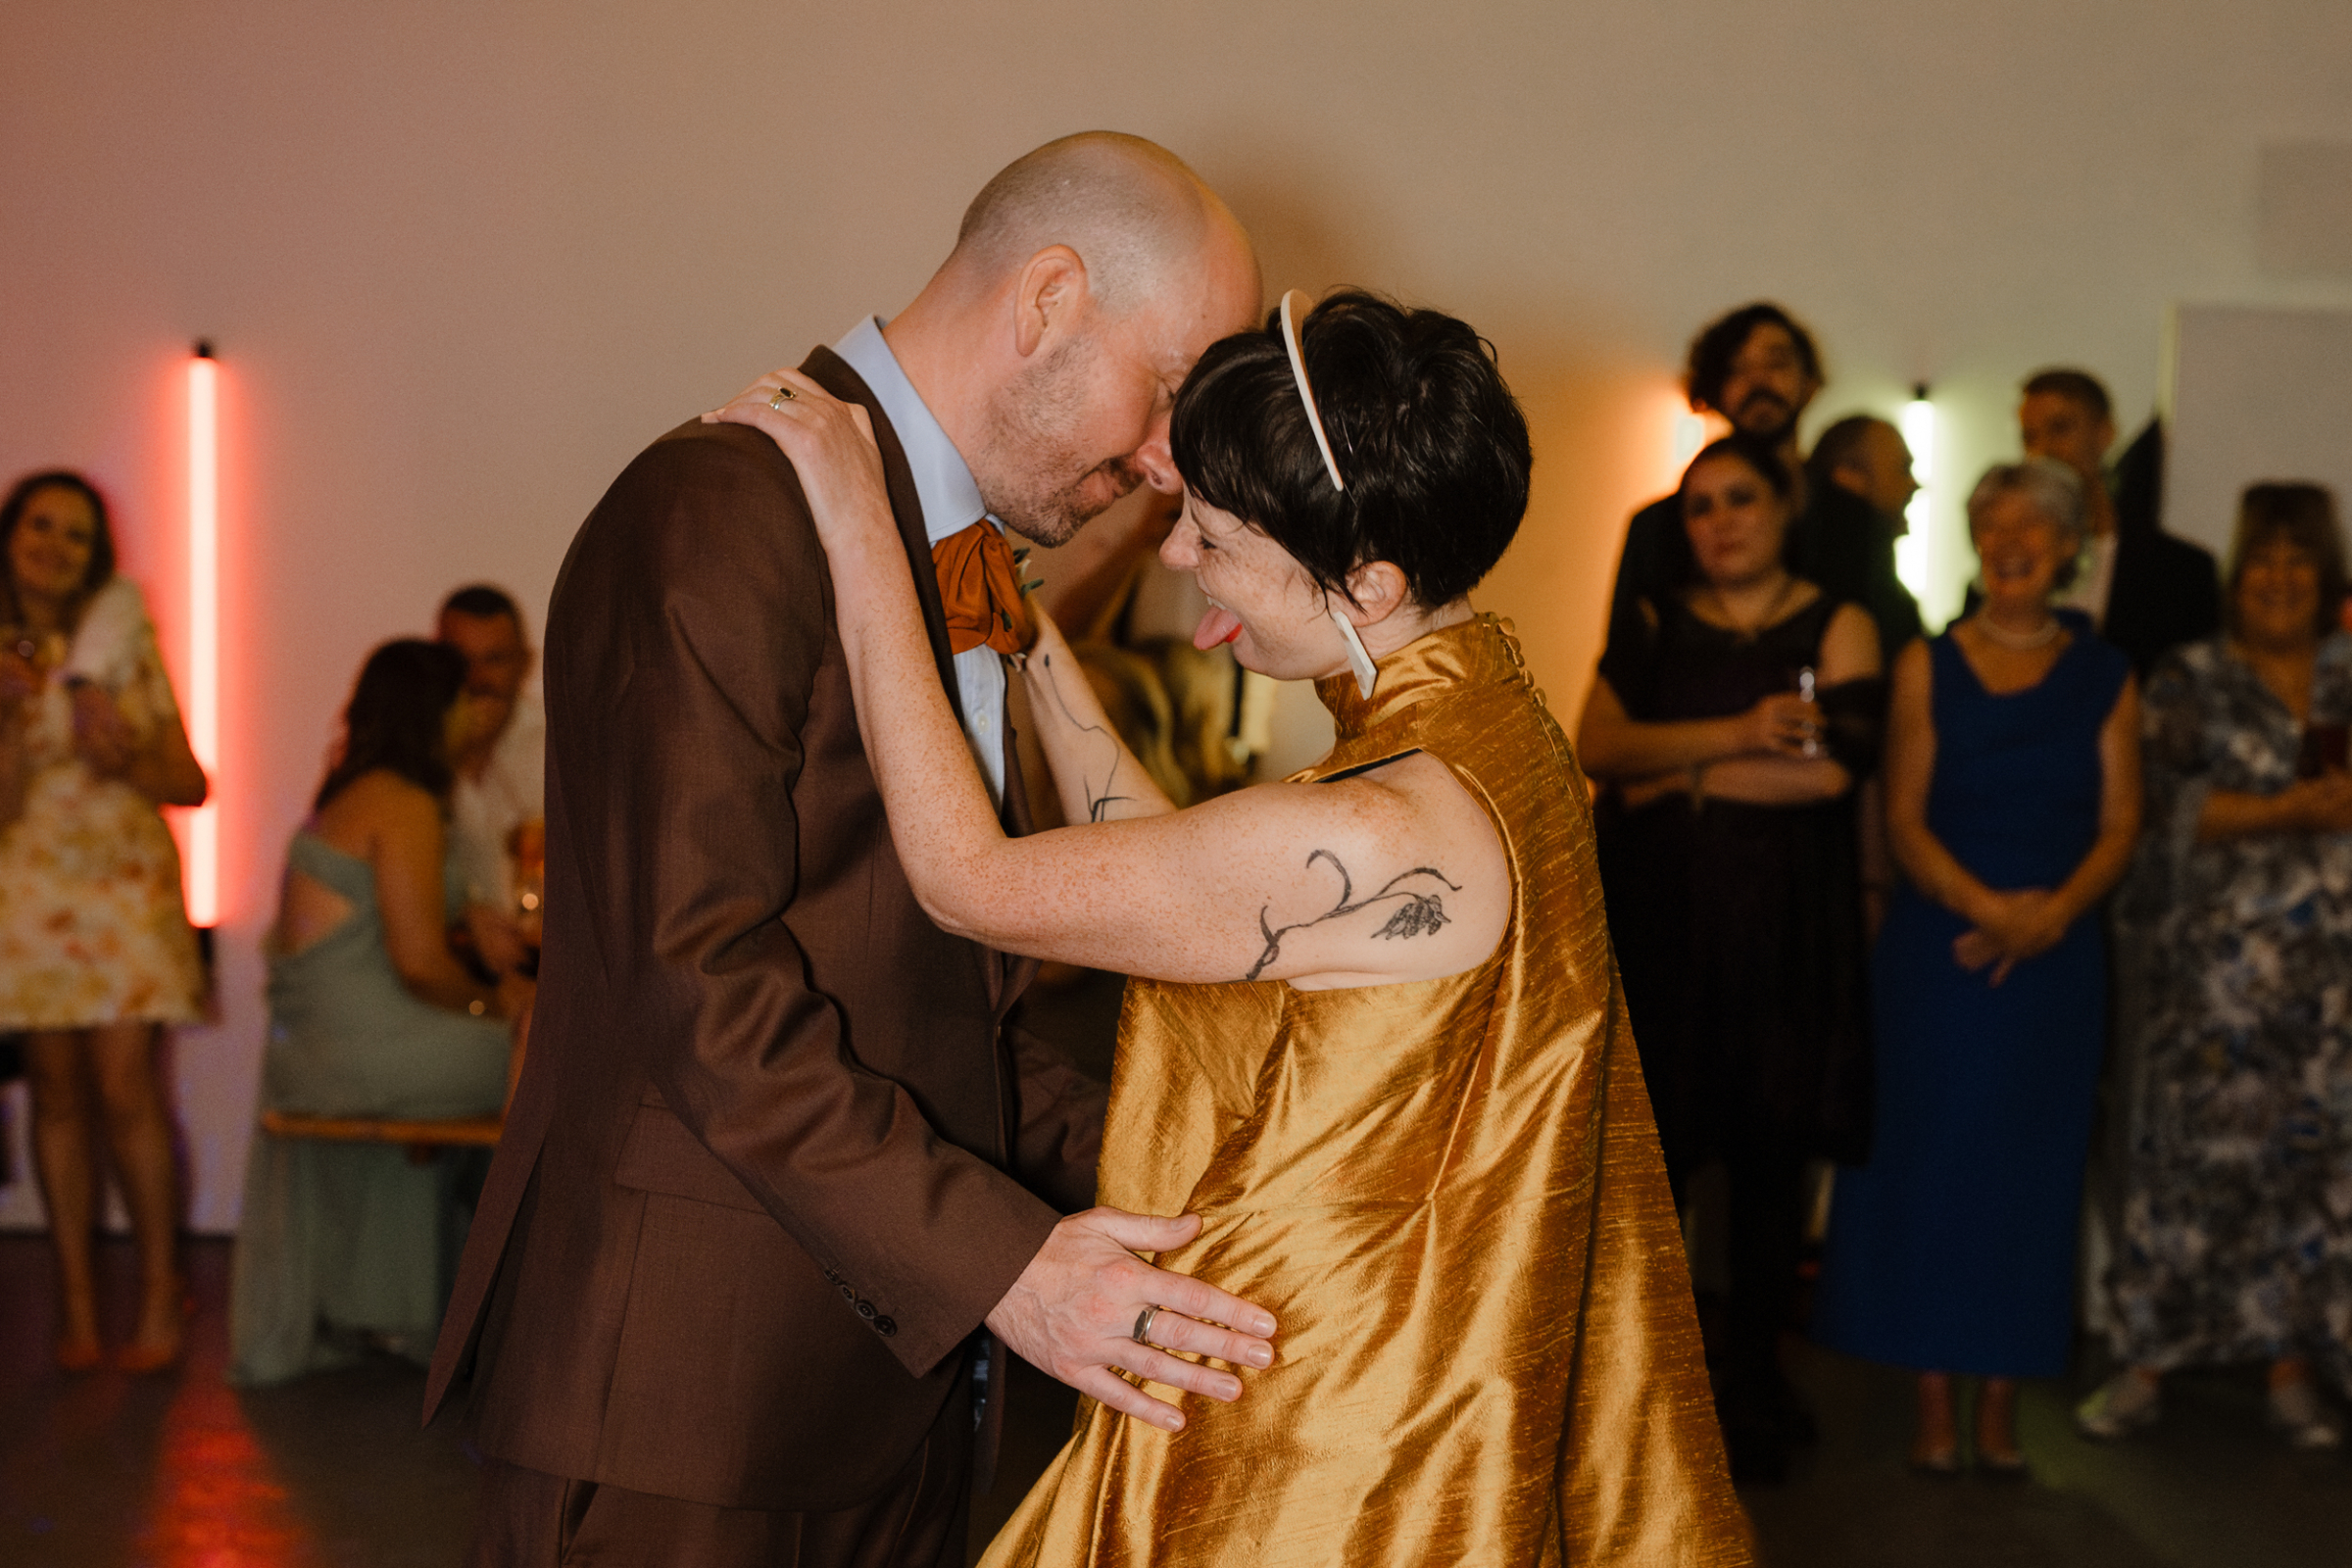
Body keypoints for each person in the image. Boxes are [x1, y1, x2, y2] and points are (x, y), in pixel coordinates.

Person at [715, 289, 1751, 1566]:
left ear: (1365, 578)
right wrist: (1018, 626)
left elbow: (969, 881)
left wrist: (865, 531)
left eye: (1213, 538)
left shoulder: (1386, 833)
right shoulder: (1489, 713)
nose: (1176, 562)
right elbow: (1172, 866)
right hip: (1394, 1369)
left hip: (1325, 1442)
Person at [428, 132, 1265, 1568]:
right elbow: (698, 987)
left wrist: (1220, 1186)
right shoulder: (718, 510)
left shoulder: (963, 556)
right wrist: (1011, 1268)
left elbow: (942, 1012)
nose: (1170, 462)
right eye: (1175, 386)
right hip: (684, 1407)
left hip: (892, 1386)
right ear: (1049, 299)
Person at [1814, 459, 2141, 1475]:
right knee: (1931, 1169)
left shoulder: (2106, 675)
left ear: (2066, 550)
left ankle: (2000, 1405)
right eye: (1994, 525)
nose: (2013, 542)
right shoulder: (1925, 664)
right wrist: (1989, 908)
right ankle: (1926, 1401)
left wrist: (2048, 917)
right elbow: (1902, 818)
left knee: (2029, 1180)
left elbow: (2122, 820)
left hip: (2055, 961)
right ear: (1974, 540)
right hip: (1940, 956)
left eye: (2034, 528)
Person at [1578, 434, 1885, 1482]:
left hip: (1785, 936)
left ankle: (1751, 1389)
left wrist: (1680, 782)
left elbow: (1833, 776)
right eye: (1700, 506)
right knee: (1649, 1177)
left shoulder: (1840, 622)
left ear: (1786, 504)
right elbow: (1598, 749)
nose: (1719, 523)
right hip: (1662, 931)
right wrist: (1743, 733)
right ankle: (1634, 1396)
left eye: (1740, 499)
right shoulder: (1656, 620)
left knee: (1768, 1176)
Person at [2079, 483, 2352, 1449]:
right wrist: (2292, 809)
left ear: (2327, 578)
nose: (2280, 579)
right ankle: (2145, 1363)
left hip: (2332, 992)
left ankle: (2289, 1374)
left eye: (2299, 561)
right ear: (2239, 576)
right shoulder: (2189, 678)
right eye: (2264, 561)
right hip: (2209, 989)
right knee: (2183, 1171)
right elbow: (2158, 813)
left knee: (2309, 1178)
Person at [229, 639, 528, 1385]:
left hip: (322, 1042)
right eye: (468, 699)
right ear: (438, 710)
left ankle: (460, 1306)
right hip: (364, 1046)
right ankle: (519, 1309)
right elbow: (420, 963)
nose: (477, 715)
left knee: (533, 1043)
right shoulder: (404, 803)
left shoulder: (352, 793)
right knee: (552, 1060)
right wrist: (496, 1006)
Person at [0, 470, 208, 1374]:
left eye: (77, 534)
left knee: (128, 1091)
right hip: (32, 891)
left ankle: (163, 1289)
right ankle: (78, 1305)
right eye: (41, 526)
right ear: (10, 535)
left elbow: (191, 783)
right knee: (54, 1095)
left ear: (99, 555)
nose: (55, 545)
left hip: (126, 889)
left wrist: (123, 751)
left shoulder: (120, 636)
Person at [1610, 303, 1920, 660]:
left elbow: (1900, 652)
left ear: (1810, 383)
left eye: (1777, 363)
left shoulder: (1856, 522)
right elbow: (1623, 669)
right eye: (1737, 368)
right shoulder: (1657, 528)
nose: (1758, 381)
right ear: (1713, 391)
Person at [2017, 368, 2219, 675]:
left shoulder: (2181, 572)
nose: (2042, 450)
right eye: (2029, 437)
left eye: (2060, 429)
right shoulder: (2007, 564)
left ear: (2104, 434)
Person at [433, 584, 544, 975]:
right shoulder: (411, 755)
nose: (477, 679)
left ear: (525, 665)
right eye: (462, 661)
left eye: (494, 660)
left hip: (548, 975)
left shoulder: (560, 751)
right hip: (443, 980)